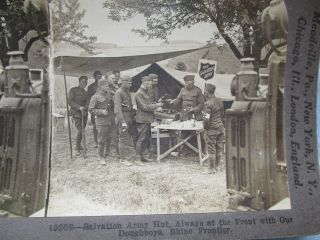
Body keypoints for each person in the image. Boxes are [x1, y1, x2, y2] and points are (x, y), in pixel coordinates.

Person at [135, 76, 163, 163]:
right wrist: (157, 105)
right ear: (145, 83)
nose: (151, 85)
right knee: (141, 139)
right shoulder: (139, 93)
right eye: (150, 84)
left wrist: (155, 104)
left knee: (145, 139)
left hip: (147, 119)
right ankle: (137, 159)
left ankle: (143, 157)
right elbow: (144, 107)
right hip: (142, 119)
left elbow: (149, 103)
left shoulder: (146, 92)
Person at [88, 78, 115, 165]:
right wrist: (101, 112)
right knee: (101, 139)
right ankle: (100, 156)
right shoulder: (95, 97)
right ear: (100, 86)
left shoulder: (109, 95)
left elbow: (112, 106)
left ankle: (107, 152)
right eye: (106, 86)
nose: (107, 87)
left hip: (110, 119)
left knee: (109, 137)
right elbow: (91, 110)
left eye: (108, 85)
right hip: (101, 121)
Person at [114, 75, 138, 163]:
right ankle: (122, 159)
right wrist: (123, 121)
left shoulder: (127, 91)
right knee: (123, 138)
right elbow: (117, 109)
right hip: (123, 117)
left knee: (130, 137)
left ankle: (129, 156)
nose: (130, 84)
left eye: (131, 82)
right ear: (123, 82)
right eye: (129, 82)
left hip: (129, 116)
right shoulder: (119, 92)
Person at [203, 84, 224, 173]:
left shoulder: (208, 104)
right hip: (220, 127)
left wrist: (206, 128)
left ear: (207, 92)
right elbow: (222, 115)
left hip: (212, 129)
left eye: (205, 91)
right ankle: (217, 167)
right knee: (219, 148)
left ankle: (211, 169)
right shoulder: (220, 101)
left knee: (211, 149)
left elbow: (206, 119)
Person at [68, 75, 88, 153]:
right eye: (83, 81)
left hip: (84, 114)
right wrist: (79, 107)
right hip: (76, 113)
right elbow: (70, 101)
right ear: (79, 82)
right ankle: (77, 147)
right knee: (81, 130)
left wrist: (86, 108)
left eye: (86, 82)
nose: (84, 83)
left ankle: (79, 145)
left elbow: (87, 102)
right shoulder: (73, 90)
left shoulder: (85, 92)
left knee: (82, 130)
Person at [87, 70, 102, 147]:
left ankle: (101, 141)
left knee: (102, 126)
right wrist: (90, 110)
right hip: (95, 109)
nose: (99, 77)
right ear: (94, 77)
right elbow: (88, 99)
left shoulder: (104, 86)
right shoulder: (91, 87)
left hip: (103, 108)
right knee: (95, 126)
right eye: (97, 76)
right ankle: (96, 142)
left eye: (100, 76)